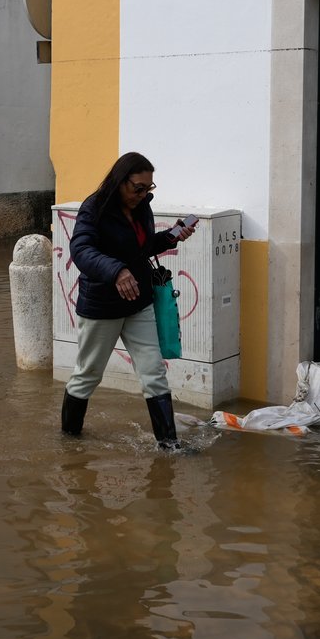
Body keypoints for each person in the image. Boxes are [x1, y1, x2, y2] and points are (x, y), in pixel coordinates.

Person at [62, 151, 197, 448]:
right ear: (119, 181)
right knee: (88, 376)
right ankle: (69, 444)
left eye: (148, 188)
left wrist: (172, 236)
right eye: (138, 188)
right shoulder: (93, 208)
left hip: (139, 303)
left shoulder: (141, 208)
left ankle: (170, 446)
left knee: (154, 373)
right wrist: (116, 271)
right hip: (102, 307)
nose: (143, 194)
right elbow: (81, 250)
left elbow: (142, 248)